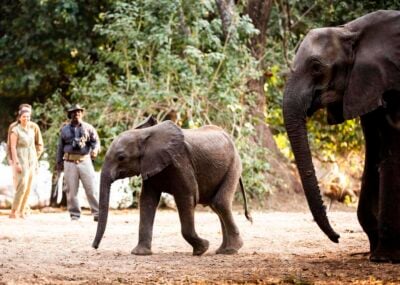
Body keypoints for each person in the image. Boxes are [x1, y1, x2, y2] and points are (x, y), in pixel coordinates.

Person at [56, 104, 100, 221]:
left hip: (85, 160)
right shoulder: (64, 130)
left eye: (79, 112)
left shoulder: (89, 128)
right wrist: (59, 162)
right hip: (69, 162)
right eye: (74, 112)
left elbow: (96, 142)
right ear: (70, 115)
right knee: (71, 190)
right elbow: (60, 147)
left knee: (91, 188)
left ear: (82, 113)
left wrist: (95, 150)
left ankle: (97, 213)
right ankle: (74, 214)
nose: (77, 114)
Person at [8, 106, 44, 218]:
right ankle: (14, 211)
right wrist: (16, 162)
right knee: (22, 185)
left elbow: (35, 146)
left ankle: (22, 211)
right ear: (19, 118)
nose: (26, 119)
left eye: (28, 117)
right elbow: (12, 147)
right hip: (21, 159)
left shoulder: (32, 129)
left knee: (28, 187)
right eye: (24, 117)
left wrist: (36, 160)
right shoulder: (15, 130)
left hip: (32, 160)